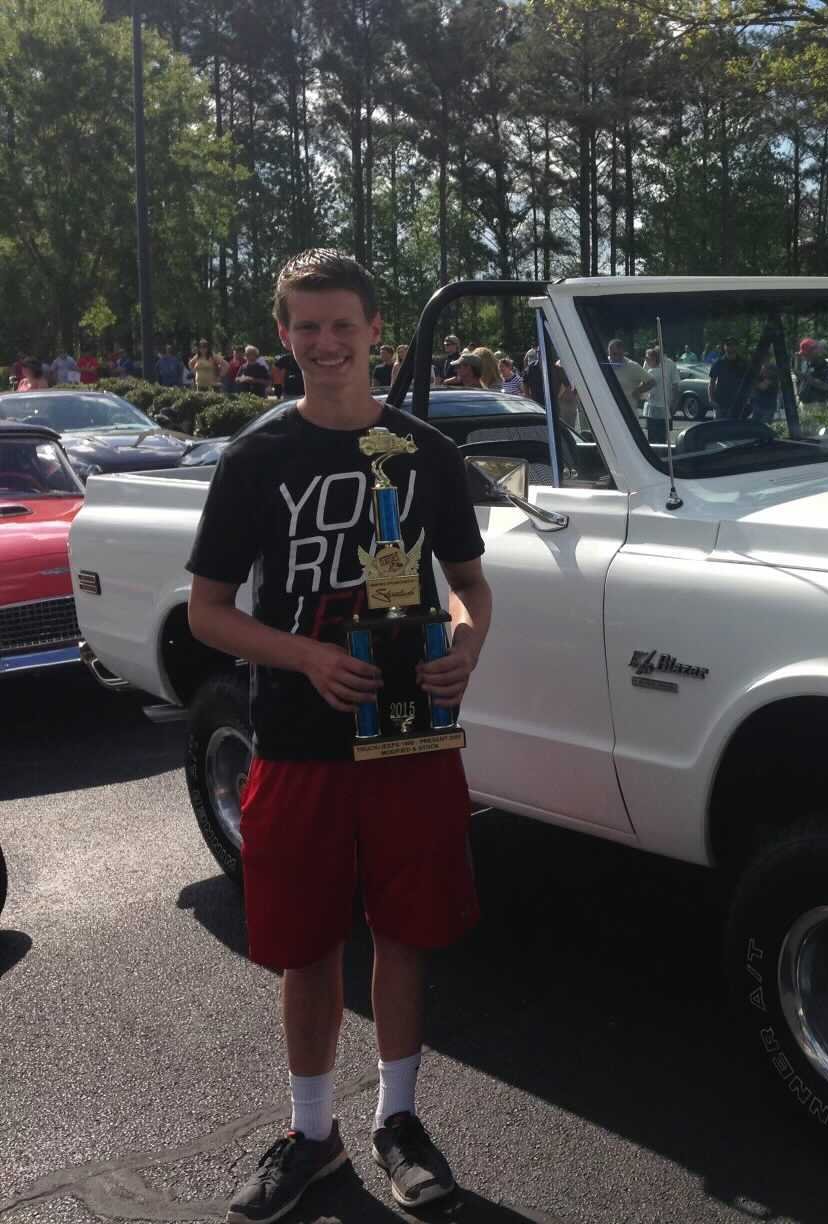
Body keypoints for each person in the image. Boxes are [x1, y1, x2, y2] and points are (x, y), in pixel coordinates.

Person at [186, 249, 490, 1223]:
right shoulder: (257, 458)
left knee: (404, 934)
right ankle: (310, 1134)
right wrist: (306, 658)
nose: (324, 344)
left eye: (341, 327)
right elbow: (208, 612)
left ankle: (397, 1122)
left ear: (373, 334)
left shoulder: (424, 454)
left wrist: (465, 646)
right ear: (284, 335)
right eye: (305, 327)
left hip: (407, 737)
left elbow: (470, 586)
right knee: (307, 947)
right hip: (298, 740)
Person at [639, 345, 679, 444]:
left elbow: (675, 384)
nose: (646, 360)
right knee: (661, 437)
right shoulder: (650, 366)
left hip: (658, 406)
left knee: (655, 437)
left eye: (647, 358)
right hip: (659, 405)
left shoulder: (669, 364)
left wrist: (674, 403)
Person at [603, 339, 650, 412]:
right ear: (609, 352)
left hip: (627, 413)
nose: (617, 358)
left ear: (623, 353)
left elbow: (651, 381)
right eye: (614, 354)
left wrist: (638, 390)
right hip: (607, 411)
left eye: (620, 354)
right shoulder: (602, 364)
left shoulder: (633, 366)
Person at [709, 339, 748, 418]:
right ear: (724, 347)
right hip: (721, 403)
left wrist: (748, 399)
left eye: (733, 345)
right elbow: (711, 383)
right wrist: (711, 399)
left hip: (738, 403)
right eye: (728, 345)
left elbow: (748, 382)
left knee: (736, 429)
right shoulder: (718, 363)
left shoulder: (743, 363)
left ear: (736, 347)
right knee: (720, 428)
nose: (731, 347)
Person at [795, 337, 828, 413]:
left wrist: (808, 378)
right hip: (804, 403)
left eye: (806, 354)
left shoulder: (822, 365)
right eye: (803, 354)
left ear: (813, 351)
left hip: (816, 404)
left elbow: (825, 386)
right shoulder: (806, 363)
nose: (804, 356)